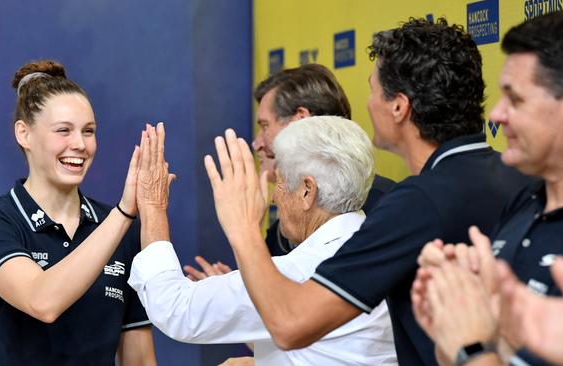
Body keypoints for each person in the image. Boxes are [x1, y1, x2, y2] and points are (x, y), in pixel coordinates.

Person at [201, 18, 532, 365]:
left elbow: (289, 324)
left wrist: (242, 228)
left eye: (373, 90)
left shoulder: (415, 204)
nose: (368, 104)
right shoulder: (521, 179)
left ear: (399, 107)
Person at [128, 116, 397, 365]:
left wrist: (152, 205)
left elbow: (176, 309)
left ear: (307, 191)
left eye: (279, 182)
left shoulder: (301, 272)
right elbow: (326, 349)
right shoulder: (382, 250)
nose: (274, 197)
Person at [0, 60, 156, 365]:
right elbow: (42, 301)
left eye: (88, 131)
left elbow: (140, 358)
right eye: (63, 131)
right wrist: (124, 213)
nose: (79, 144)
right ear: (24, 134)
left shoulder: (122, 228)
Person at [411, 10, 563, 366]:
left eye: (516, 99)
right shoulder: (523, 205)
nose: (496, 115)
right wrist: (454, 314)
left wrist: (472, 346)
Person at [183, 64, 395, 280]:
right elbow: (277, 299)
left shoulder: (388, 209)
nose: (257, 144)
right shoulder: (282, 230)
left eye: (265, 126)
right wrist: (237, 290)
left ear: (300, 120)